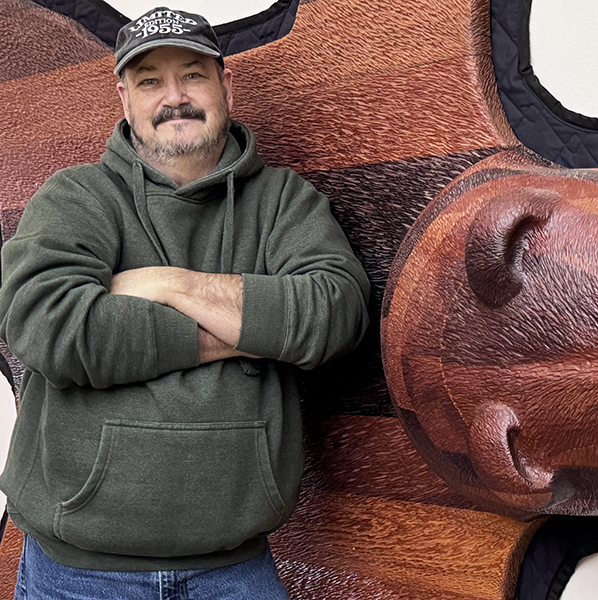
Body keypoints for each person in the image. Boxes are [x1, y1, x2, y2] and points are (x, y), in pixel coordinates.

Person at [0, 6, 370, 599]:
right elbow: (50, 326)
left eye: (193, 74)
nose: (174, 96)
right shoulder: (76, 196)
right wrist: (252, 326)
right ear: (124, 99)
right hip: (81, 573)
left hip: (235, 569)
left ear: (226, 85)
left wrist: (169, 284)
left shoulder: (283, 202)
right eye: (150, 81)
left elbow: (334, 313)